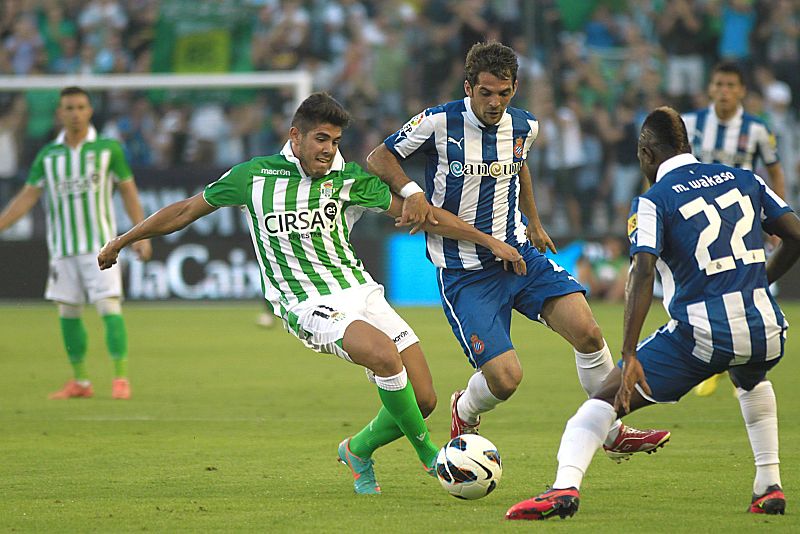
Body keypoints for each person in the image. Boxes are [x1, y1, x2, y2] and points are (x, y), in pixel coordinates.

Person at [96, 92, 527, 494]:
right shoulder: (254, 176)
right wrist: (121, 240)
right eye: (321, 139)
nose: (329, 149)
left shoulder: (349, 179)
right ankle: (431, 458)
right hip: (304, 303)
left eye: (336, 141)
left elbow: (424, 216)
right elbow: (186, 210)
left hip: (361, 293)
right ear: (295, 136)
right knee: (380, 355)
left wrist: (488, 241)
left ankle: (356, 451)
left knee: (425, 398)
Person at [366, 41, 669, 459]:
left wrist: (535, 220)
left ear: (515, 88)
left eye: (504, 93)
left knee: (589, 332)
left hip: (520, 255)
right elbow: (378, 156)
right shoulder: (438, 122)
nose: (495, 102)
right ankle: (465, 406)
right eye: (486, 92)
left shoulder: (525, 126)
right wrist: (412, 190)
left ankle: (613, 431)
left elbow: (519, 162)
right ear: (468, 86)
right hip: (465, 272)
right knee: (506, 380)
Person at [505, 106, 800, 520]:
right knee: (751, 377)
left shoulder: (652, 200)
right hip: (767, 329)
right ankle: (769, 485)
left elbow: (642, 272)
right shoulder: (746, 179)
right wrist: (755, 283)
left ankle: (563, 488)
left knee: (601, 400)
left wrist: (629, 355)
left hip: (702, 332)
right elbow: (796, 235)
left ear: (646, 154)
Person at [0, 86, 151, 400]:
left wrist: (140, 235)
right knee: (67, 311)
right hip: (62, 249)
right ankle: (81, 381)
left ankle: (120, 379)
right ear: (60, 113)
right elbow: (27, 197)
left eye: (81, 107)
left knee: (108, 306)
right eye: (69, 108)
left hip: (101, 247)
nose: (75, 113)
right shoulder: (48, 156)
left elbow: (128, 191)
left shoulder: (109, 149)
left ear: (90, 111)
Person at [682, 61, 788, 396]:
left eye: (731, 85)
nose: (724, 91)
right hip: (702, 221)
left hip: (742, 222)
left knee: (745, 290)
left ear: (742, 90)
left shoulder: (757, 129)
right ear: (710, 88)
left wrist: (777, 216)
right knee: (705, 288)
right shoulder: (692, 123)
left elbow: (775, 172)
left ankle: (740, 358)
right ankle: (718, 357)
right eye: (719, 84)